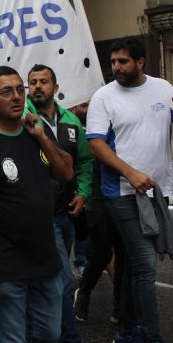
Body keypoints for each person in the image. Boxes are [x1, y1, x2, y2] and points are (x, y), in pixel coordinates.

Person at [85, 37, 173, 343]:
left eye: (123, 62)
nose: (116, 68)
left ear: (140, 62)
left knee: (136, 265)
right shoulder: (103, 97)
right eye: (113, 62)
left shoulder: (162, 88)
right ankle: (151, 337)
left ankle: (125, 330)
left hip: (156, 192)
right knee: (146, 263)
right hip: (120, 192)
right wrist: (130, 173)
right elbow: (96, 144)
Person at [0, 66, 74, 343]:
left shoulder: (36, 131)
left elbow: (65, 173)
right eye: (6, 91)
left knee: (48, 335)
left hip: (44, 259)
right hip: (4, 264)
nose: (17, 97)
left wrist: (42, 137)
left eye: (19, 90)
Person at [26, 64, 91, 343]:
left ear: (56, 86)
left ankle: (35, 328)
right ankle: (70, 340)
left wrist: (84, 193)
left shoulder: (71, 121)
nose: (37, 86)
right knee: (63, 277)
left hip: (68, 212)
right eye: (33, 82)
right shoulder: (23, 118)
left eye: (43, 82)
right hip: (41, 215)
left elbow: (86, 163)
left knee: (50, 277)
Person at [69, 101, 124, 325]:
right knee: (100, 252)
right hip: (95, 198)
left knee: (124, 252)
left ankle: (121, 307)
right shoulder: (79, 127)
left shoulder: (116, 122)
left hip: (122, 193)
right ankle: (84, 292)